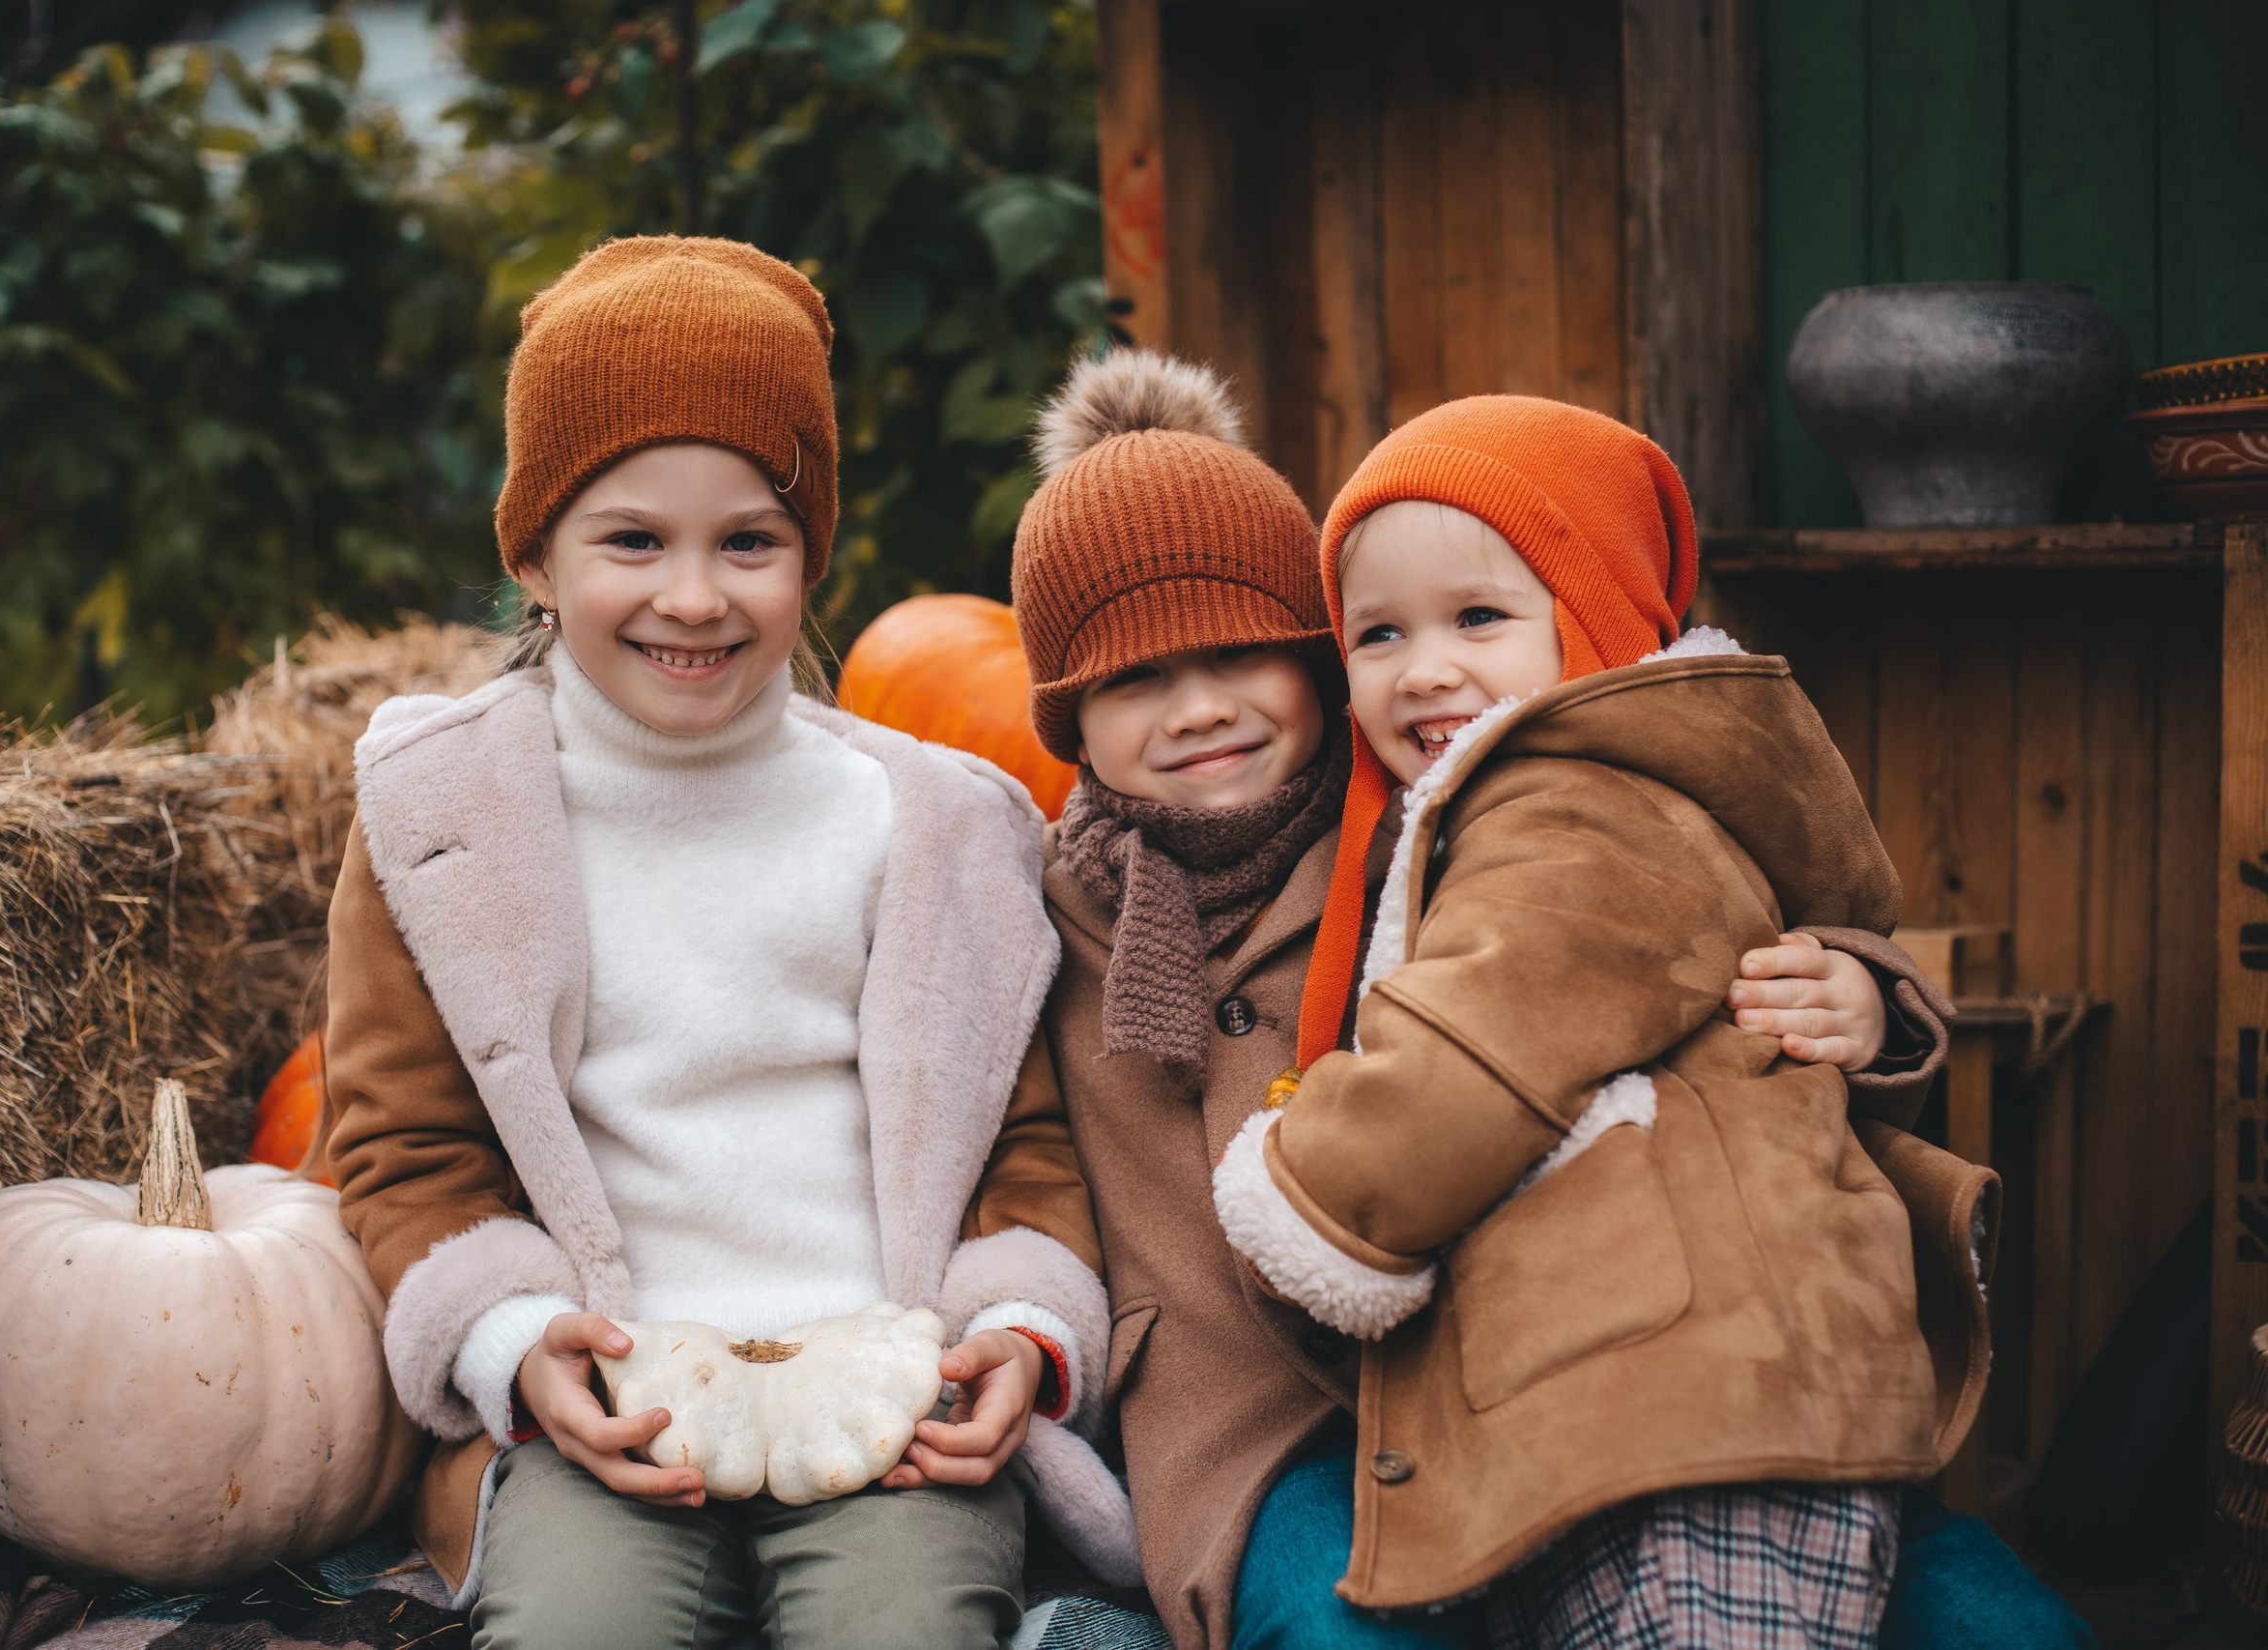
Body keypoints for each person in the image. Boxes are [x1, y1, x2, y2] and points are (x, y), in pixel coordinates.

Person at [959, 351, 1963, 1650]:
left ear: (1315, 661)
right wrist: (1029, 1320)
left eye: (1240, 657)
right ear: (1066, 714)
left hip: (1525, 1373)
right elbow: (1026, 1149)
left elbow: (1685, 910)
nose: (1199, 709)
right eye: (1135, 680)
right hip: (1251, 1415)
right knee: (1327, 1624)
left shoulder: (1430, 817)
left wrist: (1865, 996)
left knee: (1980, 1612)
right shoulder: (1041, 908)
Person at [318, 236, 1133, 1650]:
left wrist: (1023, 1333)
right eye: (632, 539)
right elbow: (402, 1143)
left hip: (891, 1383)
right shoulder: (440, 817)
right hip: (616, 1393)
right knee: (577, 1631)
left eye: (748, 540)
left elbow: (1025, 1144)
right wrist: (515, 1346)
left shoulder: (934, 822)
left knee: (909, 1632)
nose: (693, 596)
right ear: (533, 552)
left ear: (811, 554)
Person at [1207, 391, 2063, 1646]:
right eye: (1377, 633)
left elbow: (1478, 1043)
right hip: (1675, 1384)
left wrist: (1308, 1198)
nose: (1426, 666)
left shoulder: (1572, 801)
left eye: (1481, 617)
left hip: (1692, 1399)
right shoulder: (1540, 799)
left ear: (1597, 617)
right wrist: (1867, 997)